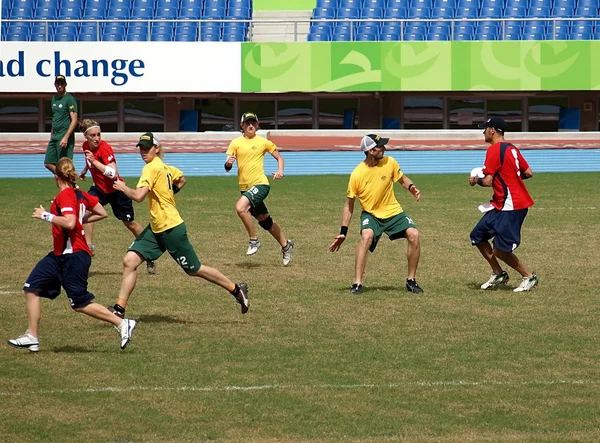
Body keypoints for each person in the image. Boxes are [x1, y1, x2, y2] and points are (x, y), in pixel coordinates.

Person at [108, 132, 249, 319]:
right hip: (156, 228)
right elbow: (181, 179)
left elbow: (139, 196)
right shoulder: (164, 167)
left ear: (156, 149)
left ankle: (236, 289)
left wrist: (121, 187)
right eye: (141, 148)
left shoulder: (151, 168)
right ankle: (119, 309)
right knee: (129, 261)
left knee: (194, 269)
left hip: (171, 228)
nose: (143, 152)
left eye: (147, 148)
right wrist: (169, 194)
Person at [8, 158, 137, 352]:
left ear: (56, 177)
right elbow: (102, 212)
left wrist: (46, 215)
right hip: (59, 255)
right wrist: (79, 218)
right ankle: (32, 336)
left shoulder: (66, 195)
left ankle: (121, 323)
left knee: (79, 303)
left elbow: (69, 223)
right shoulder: (79, 194)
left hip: (74, 255)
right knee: (31, 287)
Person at [329, 134, 424, 295]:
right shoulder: (357, 174)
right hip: (371, 215)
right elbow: (349, 205)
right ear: (371, 151)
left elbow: (402, 179)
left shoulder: (390, 162)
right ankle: (357, 283)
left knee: (414, 234)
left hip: (393, 212)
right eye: (381, 146)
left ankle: (411, 280)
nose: (385, 148)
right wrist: (343, 232)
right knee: (366, 236)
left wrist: (411, 187)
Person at [77, 119, 157, 274]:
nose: (97, 138)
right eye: (93, 135)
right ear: (85, 136)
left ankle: (150, 253)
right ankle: (88, 247)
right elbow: (90, 161)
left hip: (117, 190)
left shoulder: (105, 149)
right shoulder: (86, 146)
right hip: (100, 189)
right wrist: (85, 170)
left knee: (130, 224)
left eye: (99, 134)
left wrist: (94, 162)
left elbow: (113, 173)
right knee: (83, 211)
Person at [469, 117, 538, 292]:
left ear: (492, 130)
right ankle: (498, 273)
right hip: (500, 204)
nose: (483, 132)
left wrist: (475, 180)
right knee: (477, 235)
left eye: (484, 129)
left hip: (511, 205)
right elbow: (528, 173)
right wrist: (510, 179)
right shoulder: (511, 148)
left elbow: (487, 182)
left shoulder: (494, 150)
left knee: (500, 250)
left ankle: (529, 277)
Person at [224, 112, 294, 266]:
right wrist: (229, 163)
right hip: (245, 188)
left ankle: (254, 241)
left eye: (253, 123)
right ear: (242, 125)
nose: (251, 125)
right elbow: (227, 167)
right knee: (265, 221)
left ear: (257, 125)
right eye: (247, 123)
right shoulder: (235, 143)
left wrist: (280, 171)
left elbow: (279, 157)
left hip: (261, 184)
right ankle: (286, 245)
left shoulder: (263, 142)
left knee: (241, 208)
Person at [44, 75, 78, 175]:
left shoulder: (69, 99)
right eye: (58, 84)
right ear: (55, 85)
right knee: (48, 163)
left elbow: (74, 120)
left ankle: (73, 185)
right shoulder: (54, 99)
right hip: (55, 136)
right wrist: (52, 135)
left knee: (66, 164)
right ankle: (62, 177)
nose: (59, 86)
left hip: (63, 135)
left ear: (65, 84)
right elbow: (55, 118)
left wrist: (66, 137)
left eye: (61, 83)